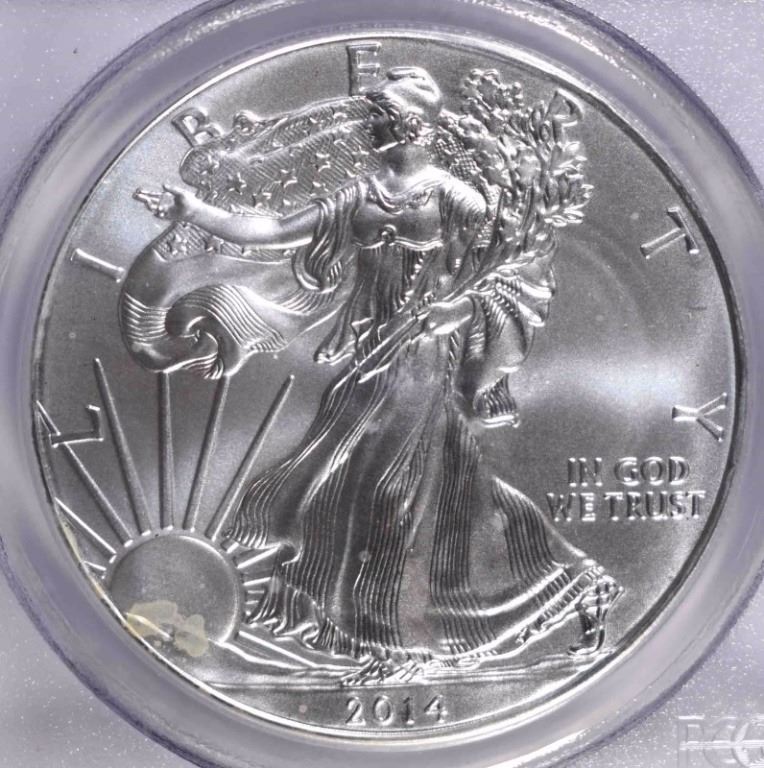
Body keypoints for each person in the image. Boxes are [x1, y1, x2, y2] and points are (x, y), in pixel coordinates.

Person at [132, 66, 620, 682]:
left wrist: (459, 310)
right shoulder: (360, 193)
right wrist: (196, 210)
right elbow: (277, 232)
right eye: (376, 115)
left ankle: (401, 644)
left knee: (393, 493)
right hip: (369, 356)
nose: (373, 125)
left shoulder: (455, 199)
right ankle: (574, 584)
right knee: (406, 487)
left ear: (412, 125)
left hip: (423, 360)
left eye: (383, 116)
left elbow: (512, 273)